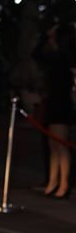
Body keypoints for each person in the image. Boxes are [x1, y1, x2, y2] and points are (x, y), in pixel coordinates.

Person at [33, 23, 76, 200]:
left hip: (61, 104)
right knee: (53, 145)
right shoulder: (59, 58)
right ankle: (53, 181)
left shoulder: (62, 59)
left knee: (60, 144)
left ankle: (63, 184)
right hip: (54, 103)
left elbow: (37, 54)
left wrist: (45, 35)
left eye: (53, 37)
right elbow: (37, 55)